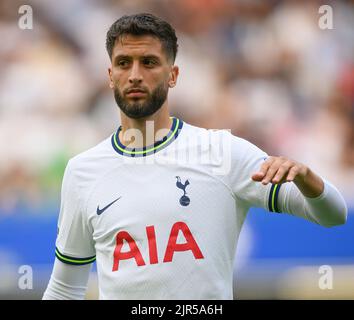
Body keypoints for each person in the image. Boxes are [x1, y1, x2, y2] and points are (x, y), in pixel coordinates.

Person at [42, 13, 347, 300]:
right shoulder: (83, 171)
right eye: (124, 63)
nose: (135, 75)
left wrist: (308, 179)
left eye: (149, 62)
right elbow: (65, 287)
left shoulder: (222, 152)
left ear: (173, 75)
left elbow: (333, 215)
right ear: (111, 75)